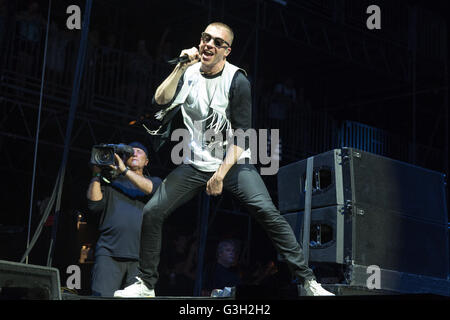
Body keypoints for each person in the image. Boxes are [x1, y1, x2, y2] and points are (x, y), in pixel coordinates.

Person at [114, 22, 333, 297]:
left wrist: (220, 174)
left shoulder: (237, 81)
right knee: (153, 210)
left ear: (226, 51)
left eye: (218, 42)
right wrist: (180, 66)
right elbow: (160, 98)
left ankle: (308, 281)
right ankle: (146, 284)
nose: (209, 44)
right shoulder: (189, 72)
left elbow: (243, 136)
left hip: (233, 163)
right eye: (206, 38)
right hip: (195, 163)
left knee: (267, 213)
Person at [86, 142, 162, 297]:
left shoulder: (154, 182)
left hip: (141, 259)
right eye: (130, 152)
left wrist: (124, 170)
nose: (134, 154)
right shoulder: (112, 182)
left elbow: (149, 189)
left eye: (139, 152)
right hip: (109, 252)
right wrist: (96, 174)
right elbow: (94, 204)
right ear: (124, 158)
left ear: (146, 161)